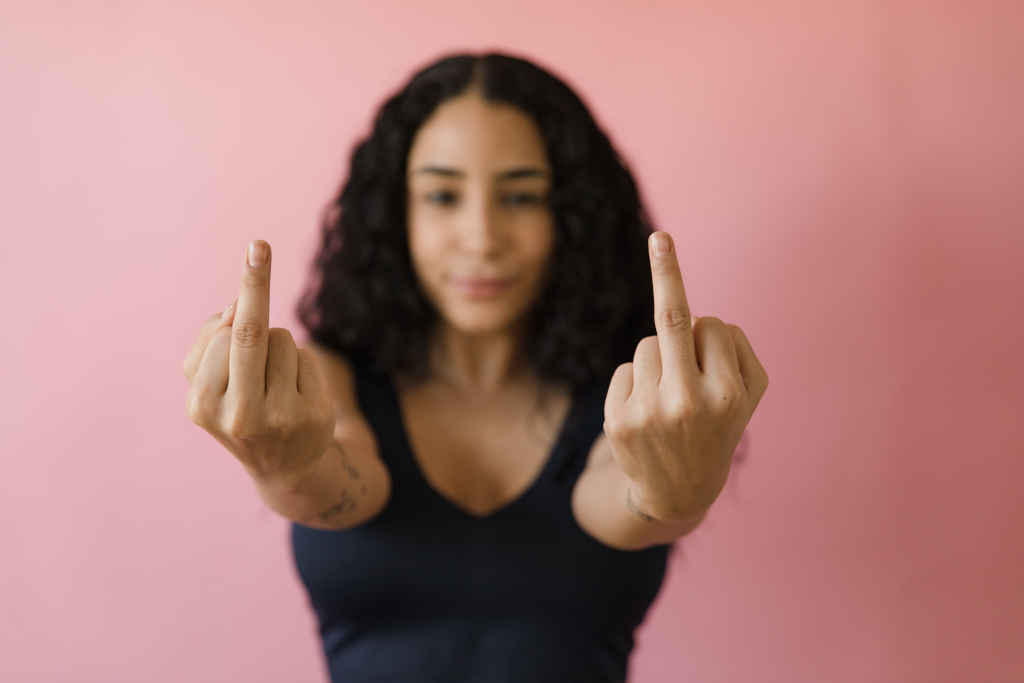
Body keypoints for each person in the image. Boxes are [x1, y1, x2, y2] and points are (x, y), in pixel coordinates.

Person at [183, 50, 764, 683]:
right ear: (394, 212)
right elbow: (338, 478)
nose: (482, 236)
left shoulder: (626, 395)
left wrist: (680, 490)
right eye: (441, 195)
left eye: (521, 197)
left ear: (571, 216)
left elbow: (625, 502)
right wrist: (283, 465)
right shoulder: (335, 379)